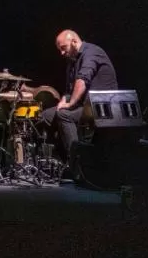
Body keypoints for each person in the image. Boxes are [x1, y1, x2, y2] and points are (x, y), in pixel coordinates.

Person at [39, 29, 118, 173]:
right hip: (85, 105)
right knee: (45, 116)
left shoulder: (91, 52)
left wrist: (69, 104)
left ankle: (78, 165)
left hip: (102, 106)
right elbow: (70, 90)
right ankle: (59, 161)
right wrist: (64, 100)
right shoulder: (72, 61)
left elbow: (82, 80)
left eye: (63, 48)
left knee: (64, 115)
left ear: (74, 42)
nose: (61, 53)